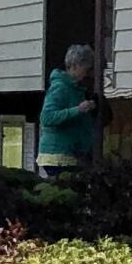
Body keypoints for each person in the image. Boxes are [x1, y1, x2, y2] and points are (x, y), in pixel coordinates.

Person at [37, 44, 99, 178]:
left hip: (71, 153)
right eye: (86, 69)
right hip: (57, 155)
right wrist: (78, 109)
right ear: (75, 66)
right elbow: (46, 117)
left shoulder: (76, 89)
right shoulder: (60, 88)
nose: (87, 73)